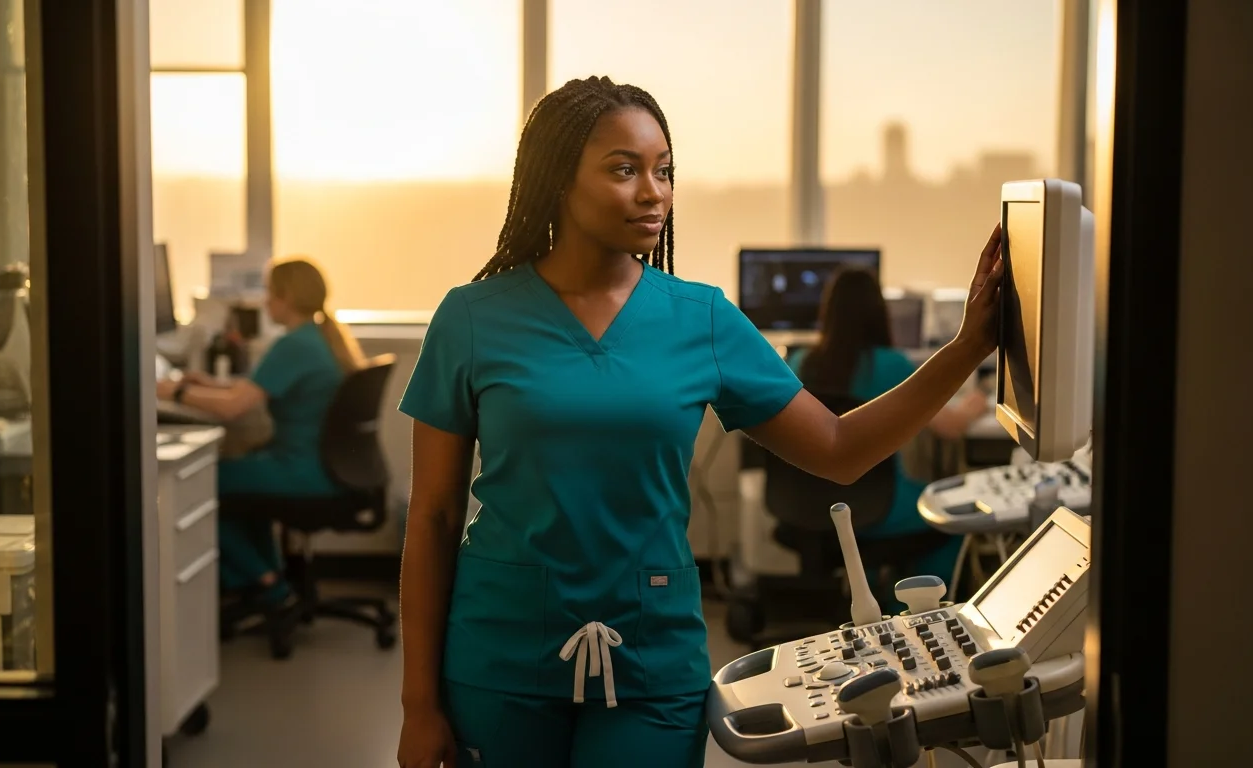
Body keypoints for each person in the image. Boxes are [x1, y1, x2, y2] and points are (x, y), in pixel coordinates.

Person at [395, 76, 1004, 768]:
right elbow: (434, 518)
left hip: (652, 660)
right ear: (556, 180)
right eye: (624, 170)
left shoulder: (703, 318)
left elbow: (838, 448)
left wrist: (965, 350)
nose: (653, 192)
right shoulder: (472, 318)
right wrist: (419, 705)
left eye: (664, 171)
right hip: (497, 655)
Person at [157, 257, 365, 610]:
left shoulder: (294, 345)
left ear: (286, 297)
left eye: (270, 293)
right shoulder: (315, 337)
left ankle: (266, 582)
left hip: (303, 470)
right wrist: (209, 384)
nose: (265, 301)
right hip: (321, 466)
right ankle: (270, 579)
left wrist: (173, 392)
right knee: (237, 491)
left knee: (199, 485)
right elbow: (250, 391)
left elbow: (234, 408)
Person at [786, 266, 992, 611]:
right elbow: (951, 427)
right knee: (953, 522)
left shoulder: (799, 361)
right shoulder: (892, 365)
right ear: (878, 313)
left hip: (807, 505)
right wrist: (979, 400)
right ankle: (916, 614)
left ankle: (871, 599)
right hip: (879, 509)